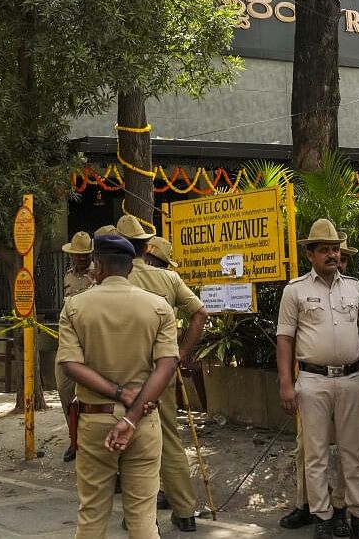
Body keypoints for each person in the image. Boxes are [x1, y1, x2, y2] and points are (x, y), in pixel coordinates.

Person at [56, 234, 179, 538]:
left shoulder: (74, 307)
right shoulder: (158, 307)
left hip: (94, 419)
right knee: (143, 520)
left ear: (97, 265)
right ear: (130, 268)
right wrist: (131, 415)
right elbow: (167, 364)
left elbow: (70, 365)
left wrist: (118, 394)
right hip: (144, 421)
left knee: (92, 517)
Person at [277, 219, 359, 539]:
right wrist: (285, 383)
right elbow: (285, 339)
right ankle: (323, 516)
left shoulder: (356, 288)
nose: (332, 255)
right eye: (324, 250)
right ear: (310, 254)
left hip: (350, 380)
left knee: (354, 452)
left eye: (335, 249)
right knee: (316, 453)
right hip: (312, 381)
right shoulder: (295, 290)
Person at [116, 214, 209, 532]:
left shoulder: (116, 280)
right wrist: (181, 354)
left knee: (130, 441)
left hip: (127, 373)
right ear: (146, 247)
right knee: (168, 437)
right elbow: (200, 313)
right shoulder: (169, 280)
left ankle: (138, 515)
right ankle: (185, 513)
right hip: (164, 371)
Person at [59, 231, 95, 462]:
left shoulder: (98, 274)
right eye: (77, 255)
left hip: (92, 341)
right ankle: (75, 439)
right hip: (69, 340)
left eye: (85, 255)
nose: (80, 259)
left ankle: (90, 442)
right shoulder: (68, 277)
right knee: (64, 389)